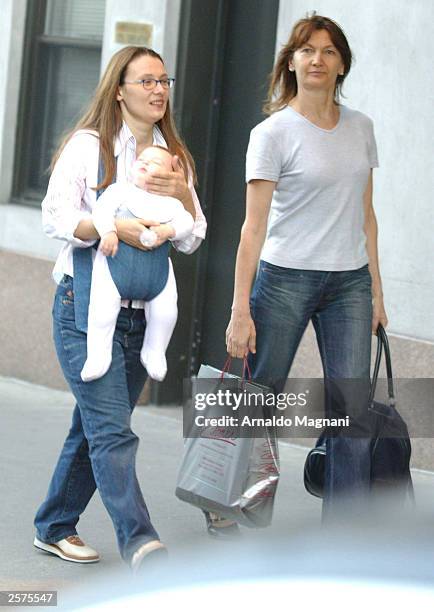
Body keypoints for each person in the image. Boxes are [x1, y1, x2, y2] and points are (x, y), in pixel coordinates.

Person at [34, 46, 206, 571]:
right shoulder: (90, 147)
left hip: (141, 312)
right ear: (120, 89)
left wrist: (182, 196)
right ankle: (141, 541)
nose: (159, 89)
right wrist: (114, 228)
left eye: (164, 80)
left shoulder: (172, 153)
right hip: (84, 306)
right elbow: (55, 216)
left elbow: (193, 236)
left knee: (94, 425)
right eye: (146, 80)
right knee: (112, 430)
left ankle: (54, 525)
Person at [222, 14, 388, 531]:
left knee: (352, 410)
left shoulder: (361, 127)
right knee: (259, 398)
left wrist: (377, 294)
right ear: (290, 62)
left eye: (329, 51)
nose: (317, 59)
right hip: (285, 277)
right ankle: (225, 499)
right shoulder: (272, 133)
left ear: (342, 65)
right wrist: (240, 309)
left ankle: (344, 531)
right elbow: (252, 228)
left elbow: (366, 215)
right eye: (307, 50)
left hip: (349, 283)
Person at [81, 144, 195, 383]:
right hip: (115, 267)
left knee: (166, 313)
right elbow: (101, 212)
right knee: (102, 311)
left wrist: (168, 230)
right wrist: (110, 232)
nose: (145, 162)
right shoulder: (120, 191)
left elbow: (187, 222)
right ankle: (98, 354)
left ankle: (154, 351)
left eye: (154, 162)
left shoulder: (172, 204)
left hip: (158, 276)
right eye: (141, 159)